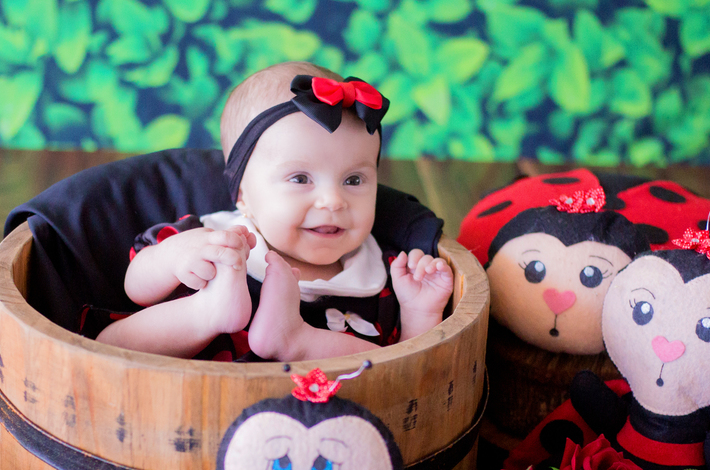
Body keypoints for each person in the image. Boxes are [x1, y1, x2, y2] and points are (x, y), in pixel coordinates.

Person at [96, 61, 454, 361]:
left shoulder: (385, 275)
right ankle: (207, 312)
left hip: (309, 414)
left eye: (354, 180)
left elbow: (409, 373)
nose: (333, 200)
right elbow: (136, 289)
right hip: (186, 384)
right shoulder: (214, 239)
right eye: (300, 178)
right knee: (108, 344)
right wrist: (173, 257)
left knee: (385, 362)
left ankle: (297, 342)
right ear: (243, 195)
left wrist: (419, 312)